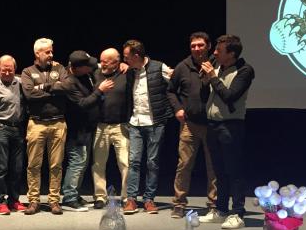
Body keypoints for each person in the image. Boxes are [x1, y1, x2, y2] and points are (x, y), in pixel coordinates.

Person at [199, 34, 254, 229]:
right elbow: (204, 96)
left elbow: (230, 96)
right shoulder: (217, 68)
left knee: (234, 170)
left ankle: (237, 213)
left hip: (231, 126)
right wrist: (205, 80)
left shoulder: (245, 70)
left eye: (219, 50)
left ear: (231, 54)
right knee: (219, 171)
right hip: (212, 124)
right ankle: (221, 209)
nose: (214, 53)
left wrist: (213, 78)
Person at [167, 32, 217, 219]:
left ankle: (214, 204)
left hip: (213, 124)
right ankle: (179, 203)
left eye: (200, 45)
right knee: (184, 165)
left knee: (213, 167)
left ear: (209, 46)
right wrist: (178, 108)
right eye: (193, 46)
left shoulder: (217, 64)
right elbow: (170, 91)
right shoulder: (183, 66)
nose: (197, 49)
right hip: (190, 124)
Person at [122, 39, 173, 215]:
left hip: (155, 122)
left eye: (126, 57)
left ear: (136, 55)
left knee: (152, 162)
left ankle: (149, 199)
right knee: (134, 161)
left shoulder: (159, 67)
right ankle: (131, 199)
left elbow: (176, 83)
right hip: (135, 122)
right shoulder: (129, 71)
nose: (125, 60)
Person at [60, 50, 115, 212]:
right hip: (76, 131)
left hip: (86, 129)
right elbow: (82, 104)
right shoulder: (69, 82)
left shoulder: (84, 75)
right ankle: (69, 198)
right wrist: (100, 91)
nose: (92, 67)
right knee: (77, 162)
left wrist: (122, 65)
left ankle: (74, 194)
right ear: (78, 68)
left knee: (82, 162)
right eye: (87, 66)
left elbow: (99, 65)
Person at [21, 38, 68, 215]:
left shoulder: (60, 68)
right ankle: (34, 201)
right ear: (37, 53)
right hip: (36, 123)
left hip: (58, 122)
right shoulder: (27, 71)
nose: (51, 54)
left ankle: (54, 200)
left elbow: (66, 87)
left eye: (51, 51)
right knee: (33, 164)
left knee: (56, 165)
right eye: (47, 52)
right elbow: (29, 94)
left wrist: (41, 87)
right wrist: (52, 89)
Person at [0, 55, 28, 215]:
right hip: (1, 129)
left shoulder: (21, 82)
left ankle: (14, 200)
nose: (7, 73)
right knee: (1, 168)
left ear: (15, 69)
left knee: (17, 168)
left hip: (18, 130)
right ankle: (0, 202)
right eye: (4, 70)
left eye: (10, 69)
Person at [91, 48, 130, 209]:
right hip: (101, 125)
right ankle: (100, 196)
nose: (102, 64)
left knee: (125, 163)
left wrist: (126, 65)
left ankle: (127, 197)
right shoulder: (96, 73)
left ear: (116, 62)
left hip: (121, 125)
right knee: (98, 163)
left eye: (106, 62)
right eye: (101, 61)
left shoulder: (126, 73)